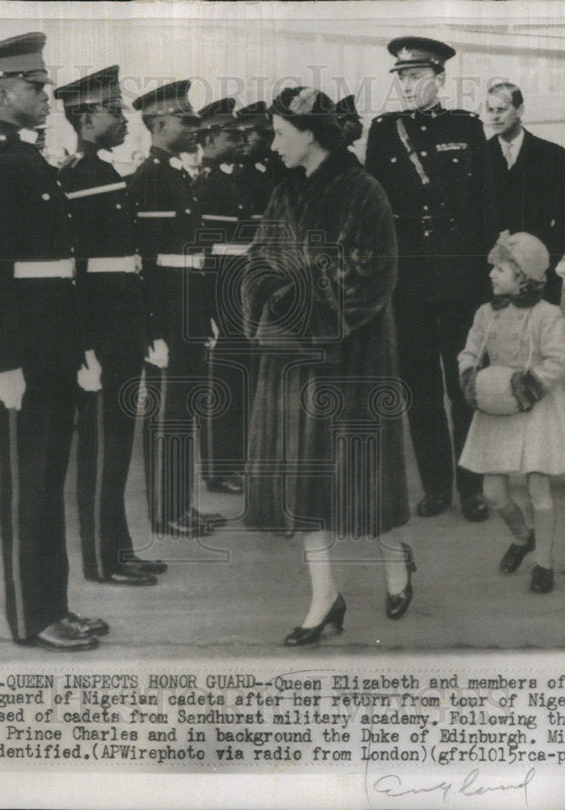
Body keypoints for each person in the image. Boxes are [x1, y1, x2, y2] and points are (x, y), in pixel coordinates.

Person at [243, 87, 411, 646]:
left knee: (360, 481)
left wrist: (297, 300)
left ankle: (395, 564)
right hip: (292, 359)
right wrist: (271, 295)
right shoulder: (285, 191)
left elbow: (374, 274)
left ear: (309, 132)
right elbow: (260, 260)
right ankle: (324, 597)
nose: (273, 143)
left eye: (280, 133)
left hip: (352, 360)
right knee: (303, 483)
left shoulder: (364, 191)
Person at [0, 32, 106, 651]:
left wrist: (77, 350)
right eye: (36, 86)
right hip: (26, 352)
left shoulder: (27, 158)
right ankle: (32, 616)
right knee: (29, 488)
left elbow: (59, 267)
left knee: (48, 482)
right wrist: (6, 362)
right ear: (1, 92)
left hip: (53, 346)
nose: (47, 94)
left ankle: (58, 605)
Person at [366, 36, 497, 522]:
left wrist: (486, 279)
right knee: (419, 385)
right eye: (401, 76)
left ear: (440, 79)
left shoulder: (465, 127)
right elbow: (376, 208)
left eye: (416, 75)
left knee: (463, 383)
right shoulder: (383, 132)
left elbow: (486, 204)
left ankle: (473, 488)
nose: (407, 85)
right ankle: (437, 485)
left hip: (460, 274)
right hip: (410, 278)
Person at [53, 65, 165, 586]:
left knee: (118, 445)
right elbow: (74, 271)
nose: (123, 119)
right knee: (102, 449)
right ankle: (101, 560)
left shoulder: (103, 171)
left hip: (122, 327)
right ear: (85, 117)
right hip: (102, 332)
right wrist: (85, 347)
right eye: (113, 111)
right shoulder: (77, 175)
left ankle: (117, 549)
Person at [458, 232, 565, 594]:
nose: (491, 275)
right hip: (495, 408)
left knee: (539, 489)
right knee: (493, 492)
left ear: (523, 275)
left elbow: (558, 360)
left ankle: (544, 563)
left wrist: (527, 387)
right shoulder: (485, 313)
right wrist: (471, 380)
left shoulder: (548, 315)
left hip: (536, 407)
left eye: (500, 269)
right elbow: (469, 352)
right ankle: (522, 536)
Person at [128, 80, 225, 537]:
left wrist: (202, 311)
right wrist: (152, 328)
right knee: (168, 413)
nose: (195, 127)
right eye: (186, 121)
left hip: (185, 304)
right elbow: (145, 260)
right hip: (167, 309)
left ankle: (181, 505)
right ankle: (167, 513)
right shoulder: (148, 177)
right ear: (159, 124)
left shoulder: (176, 174)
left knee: (182, 409)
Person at [192, 97, 248, 496]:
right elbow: (206, 251)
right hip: (223, 289)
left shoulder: (227, 179)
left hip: (239, 287)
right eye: (232, 134)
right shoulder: (208, 184)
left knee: (237, 378)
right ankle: (219, 467)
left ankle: (234, 462)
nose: (241, 139)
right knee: (223, 382)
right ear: (210, 138)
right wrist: (210, 307)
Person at [484, 82, 565, 305]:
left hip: (539, 279)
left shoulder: (551, 156)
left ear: (520, 110)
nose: (495, 117)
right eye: (491, 110)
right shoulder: (478, 156)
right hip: (491, 279)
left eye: (502, 109)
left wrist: (546, 260)